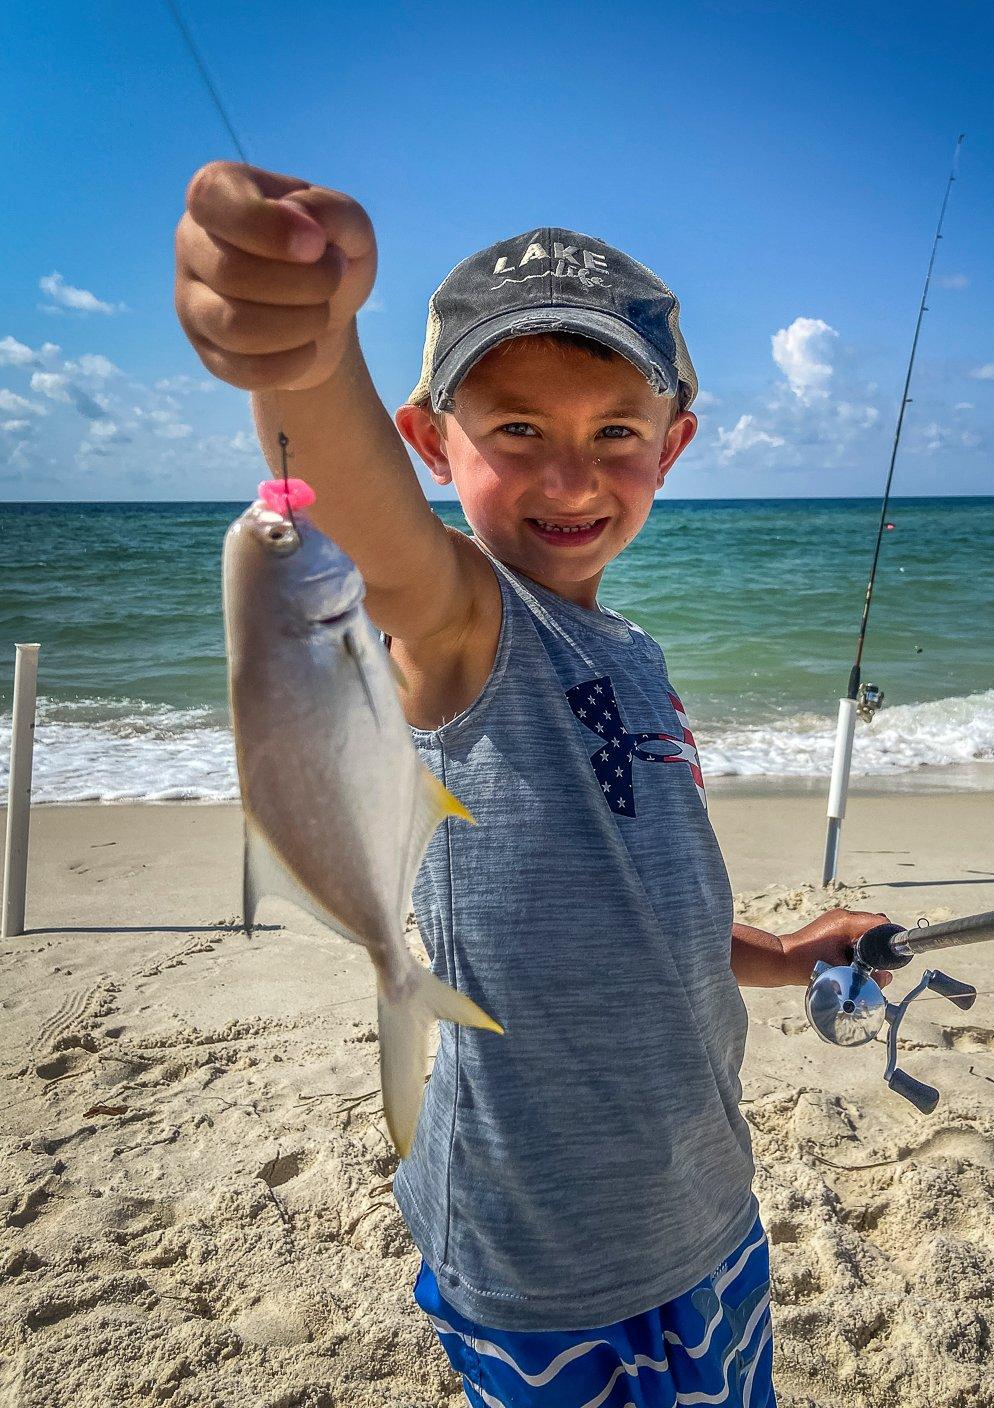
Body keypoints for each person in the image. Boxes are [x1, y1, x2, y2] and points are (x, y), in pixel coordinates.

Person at [174, 162, 891, 1407]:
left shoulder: (636, 656)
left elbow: (625, 896)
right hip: (545, 1258)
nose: (571, 477)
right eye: (515, 429)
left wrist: (771, 953)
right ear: (428, 444)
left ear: (672, 446)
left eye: (616, 431)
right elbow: (373, 530)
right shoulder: (462, 628)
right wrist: (305, 346)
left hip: (706, 1210)